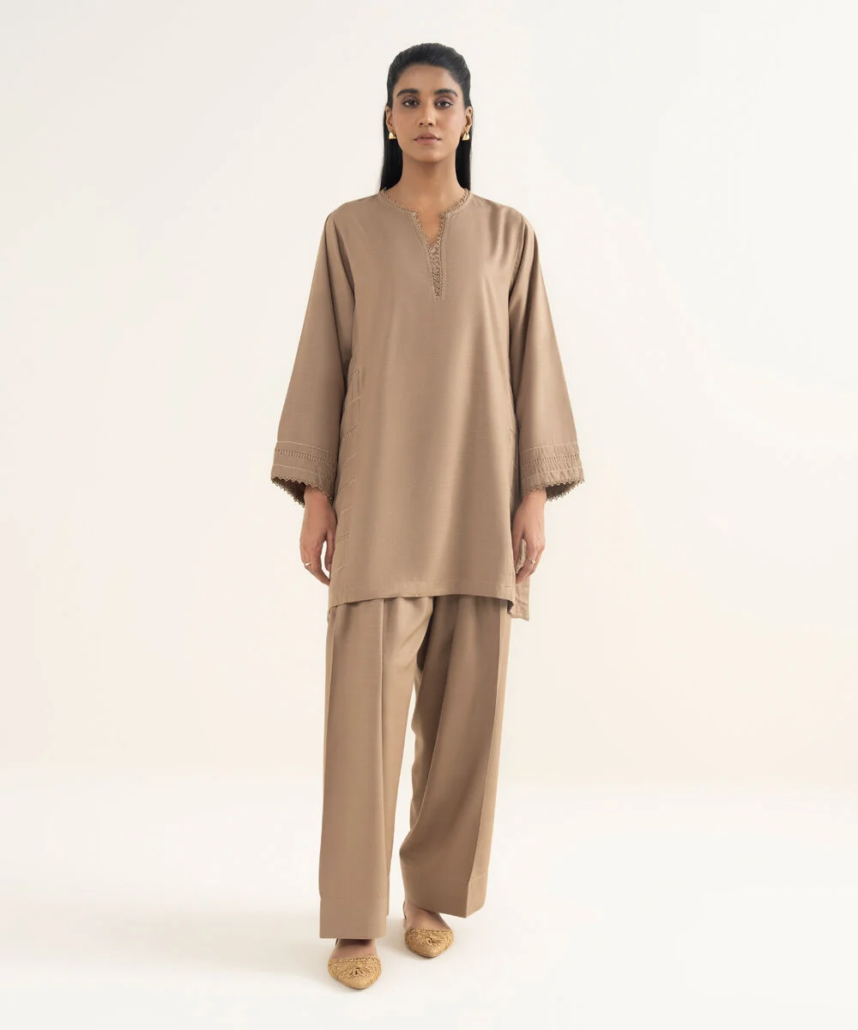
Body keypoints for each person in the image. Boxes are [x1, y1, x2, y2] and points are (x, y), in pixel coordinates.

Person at [269, 43, 585, 990]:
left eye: (444, 101)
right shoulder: (350, 232)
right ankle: (355, 917)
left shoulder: (509, 236)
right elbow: (323, 359)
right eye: (409, 101)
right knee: (363, 725)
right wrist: (317, 493)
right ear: (389, 119)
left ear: (469, 118)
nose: (427, 116)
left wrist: (534, 493)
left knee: (466, 720)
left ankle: (430, 896)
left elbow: (533, 364)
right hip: (378, 499)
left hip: (480, 501)